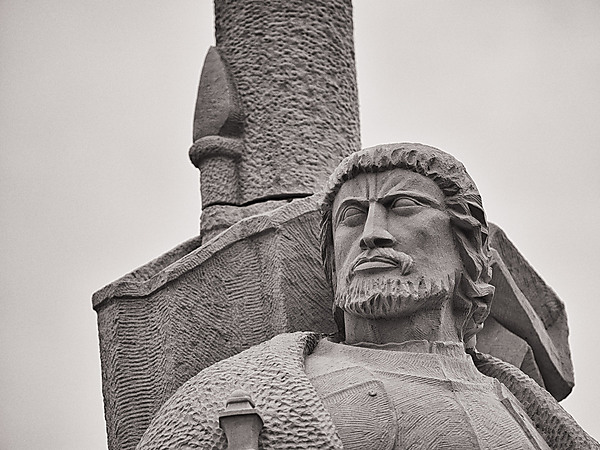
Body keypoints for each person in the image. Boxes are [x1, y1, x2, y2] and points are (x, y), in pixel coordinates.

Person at [137, 143, 598, 450]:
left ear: (470, 248)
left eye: (403, 207)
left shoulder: (524, 410)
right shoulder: (229, 395)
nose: (372, 235)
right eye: (352, 217)